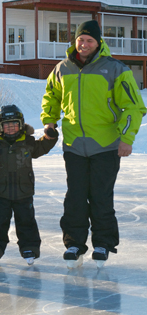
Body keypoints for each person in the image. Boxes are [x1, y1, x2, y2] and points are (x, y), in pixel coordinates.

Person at [41, 20, 146, 268]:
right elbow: (52, 96)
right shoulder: (62, 69)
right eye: (81, 40)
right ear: (74, 41)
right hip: (74, 144)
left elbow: (134, 106)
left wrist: (126, 138)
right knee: (75, 197)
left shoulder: (115, 69)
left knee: (100, 196)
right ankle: (74, 244)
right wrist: (49, 121)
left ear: (99, 42)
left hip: (106, 145)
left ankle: (103, 243)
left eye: (89, 40)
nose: (84, 44)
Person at [0, 105, 57, 265]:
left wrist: (51, 137)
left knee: (26, 221)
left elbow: (42, 146)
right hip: (0, 191)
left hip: (24, 191)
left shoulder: (28, 143)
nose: (11, 128)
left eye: (14, 125)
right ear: (0, 127)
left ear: (21, 125)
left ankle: (30, 247)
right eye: (7, 126)